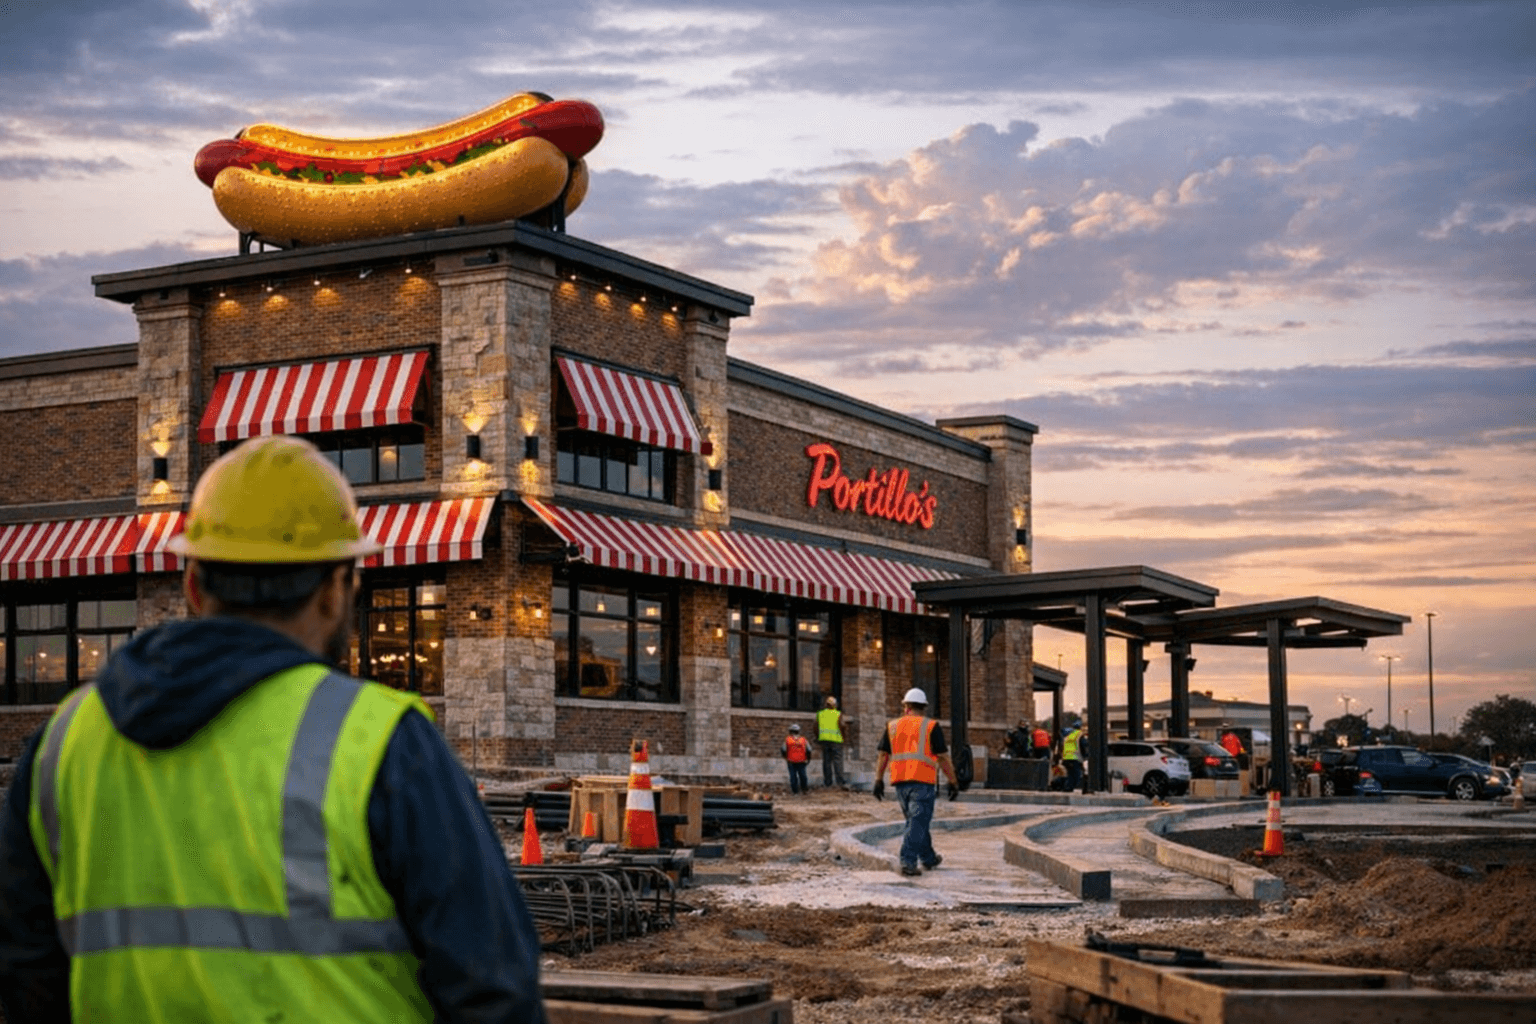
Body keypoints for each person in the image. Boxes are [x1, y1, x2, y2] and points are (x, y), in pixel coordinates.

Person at [0, 436, 546, 1024]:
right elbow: (493, 988)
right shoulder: (379, 742)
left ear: (193, 586)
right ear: (338, 590)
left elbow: (23, 968)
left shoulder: (67, 742)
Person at [871, 688, 960, 877]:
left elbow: (882, 754)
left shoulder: (892, 726)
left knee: (916, 821)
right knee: (918, 822)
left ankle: (928, 858)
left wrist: (878, 779)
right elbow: (943, 758)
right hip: (923, 781)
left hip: (900, 782)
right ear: (924, 707)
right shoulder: (930, 726)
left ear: (906, 707)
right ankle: (908, 861)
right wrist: (953, 781)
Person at [817, 695, 848, 788]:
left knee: (826, 762)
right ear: (835, 705)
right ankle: (840, 781)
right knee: (837, 761)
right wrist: (844, 737)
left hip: (824, 740)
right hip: (836, 741)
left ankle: (827, 782)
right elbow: (842, 726)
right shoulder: (838, 714)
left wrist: (818, 736)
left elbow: (815, 727)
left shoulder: (820, 714)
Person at [782, 723, 812, 794]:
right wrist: (808, 759)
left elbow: (783, 749)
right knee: (803, 776)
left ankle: (795, 791)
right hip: (801, 761)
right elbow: (809, 750)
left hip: (791, 761)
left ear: (790, 731)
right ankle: (804, 789)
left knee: (793, 777)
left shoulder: (788, 739)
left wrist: (785, 757)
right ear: (798, 731)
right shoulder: (803, 740)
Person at [1061, 720, 1085, 793]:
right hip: (1075, 758)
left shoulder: (1068, 735)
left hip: (1066, 758)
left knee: (1070, 774)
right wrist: (1085, 756)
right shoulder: (1080, 734)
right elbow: (1083, 745)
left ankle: (1068, 788)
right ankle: (1069, 788)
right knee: (1077, 775)